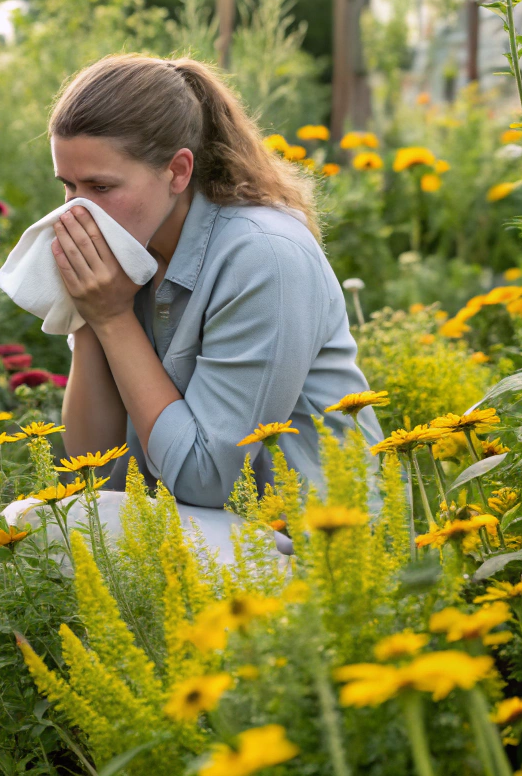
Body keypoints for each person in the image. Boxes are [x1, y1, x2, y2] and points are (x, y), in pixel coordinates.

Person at [47, 54, 382, 508]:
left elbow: (207, 479)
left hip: (313, 545)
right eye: (68, 186)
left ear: (178, 172)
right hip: (204, 535)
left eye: (101, 187)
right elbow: (96, 467)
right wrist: (89, 315)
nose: (77, 213)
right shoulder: (128, 256)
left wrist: (113, 317)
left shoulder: (263, 256)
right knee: (44, 521)